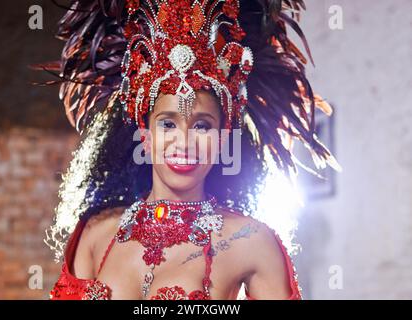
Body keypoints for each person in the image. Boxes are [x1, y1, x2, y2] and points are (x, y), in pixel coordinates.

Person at [36, 0, 340, 300]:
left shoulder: (252, 243)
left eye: (202, 126)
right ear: (145, 135)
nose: (184, 143)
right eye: (167, 124)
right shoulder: (96, 234)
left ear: (222, 139)